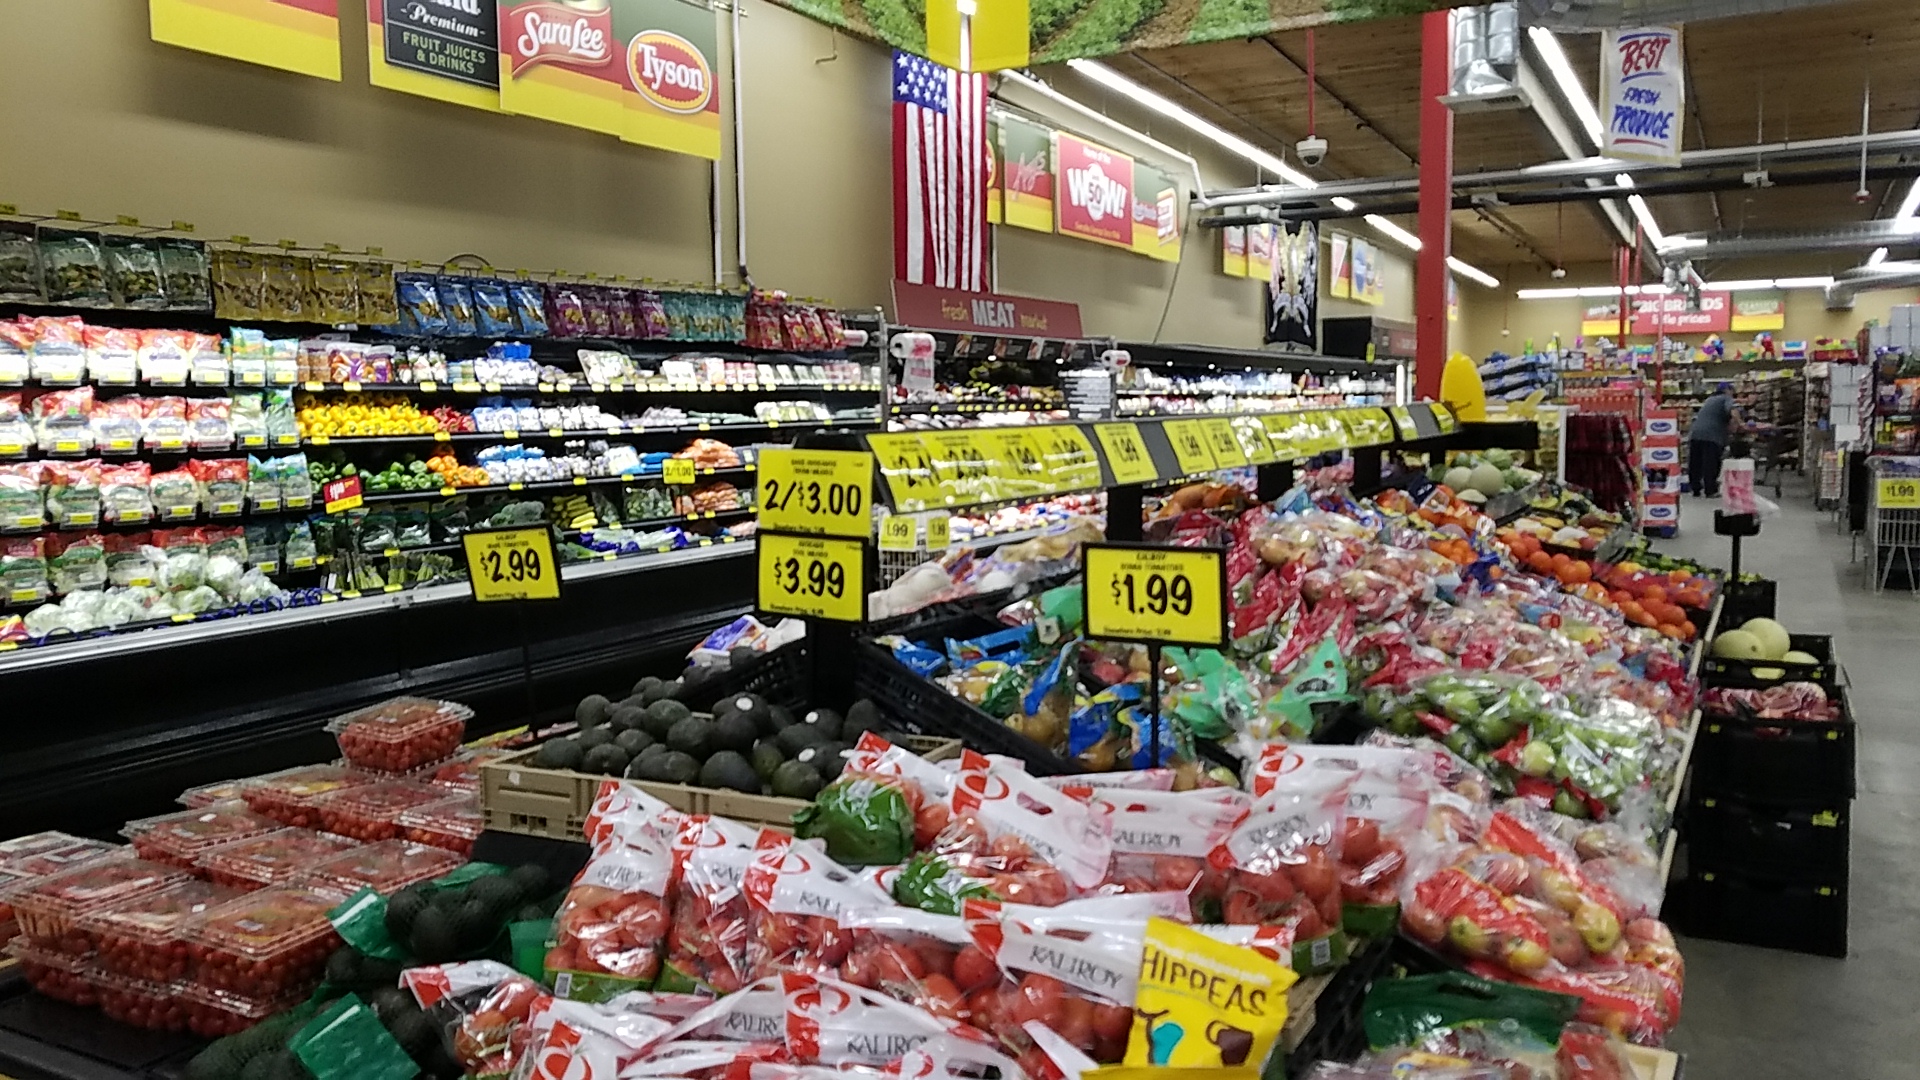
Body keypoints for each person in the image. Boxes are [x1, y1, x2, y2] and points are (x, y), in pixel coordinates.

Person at [1687, 383, 1743, 498]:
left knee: (1696, 462)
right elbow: (1733, 411)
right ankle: (1710, 490)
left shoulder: (1709, 400)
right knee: (1711, 463)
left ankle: (1695, 488)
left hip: (1695, 433)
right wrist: (1741, 424)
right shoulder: (1726, 398)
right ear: (1727, 390)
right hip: (1712, 435)